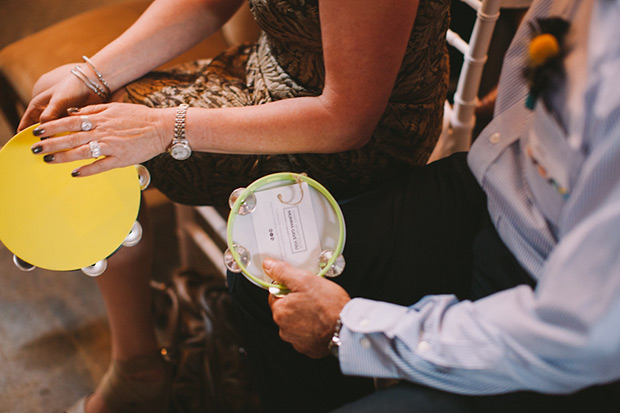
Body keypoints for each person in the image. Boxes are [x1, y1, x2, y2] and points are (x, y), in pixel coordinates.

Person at [19, 0, 452, 412]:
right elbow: (208, 4)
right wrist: (90, 76)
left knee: (87, 138)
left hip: (351, 138)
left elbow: (347, 120)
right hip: (265, 73)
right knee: (69, 106)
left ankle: (138, 374)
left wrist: (162, 127)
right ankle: (136, 363)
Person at [227, 0, 620, 411]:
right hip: (495, 191)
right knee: (259, 282)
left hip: (557, 310)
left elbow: (579, 336)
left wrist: (348, 329)